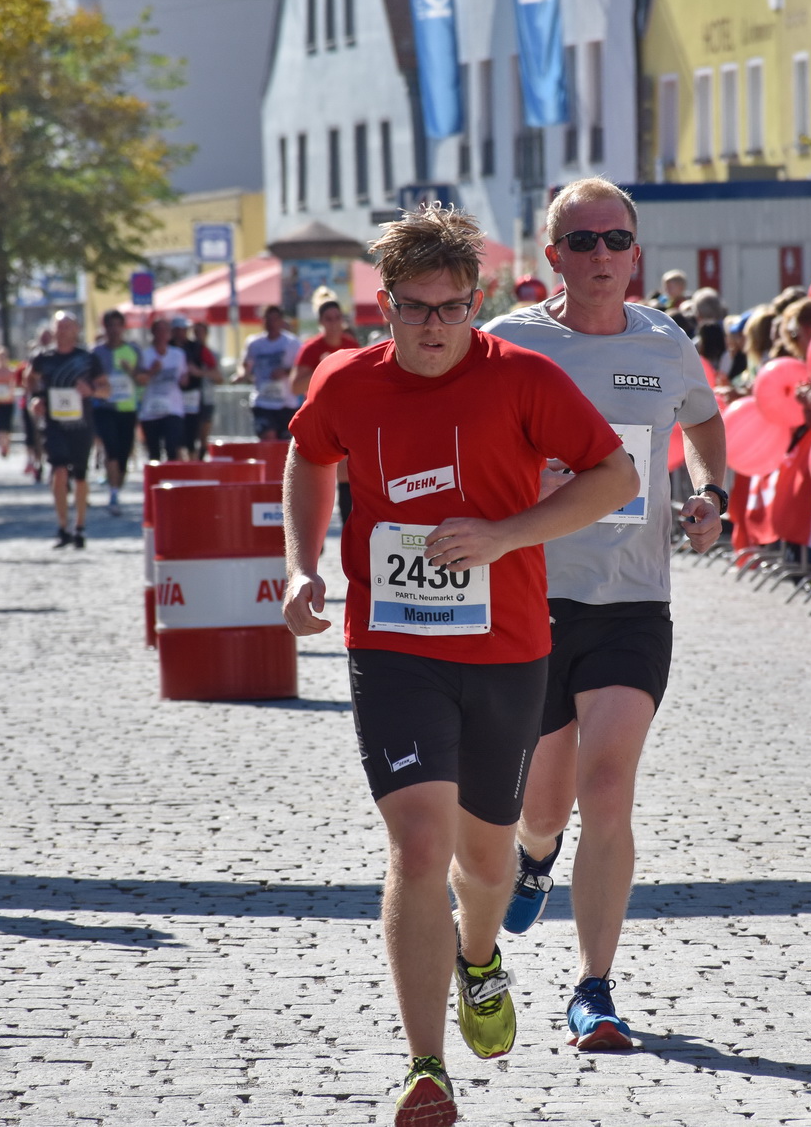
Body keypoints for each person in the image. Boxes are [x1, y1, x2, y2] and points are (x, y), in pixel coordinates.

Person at [281, 203, 637, 1126]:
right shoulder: (346, 381)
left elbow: (615, 477)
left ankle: (481, 956)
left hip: (507, 648)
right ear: (384, 306)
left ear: (475, 302)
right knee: (418, 847)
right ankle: (424, 1067)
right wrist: (301, 563)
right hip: (392, 647)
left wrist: (505, 536)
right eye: (414, 307)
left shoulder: (525, 377)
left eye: (450, 307)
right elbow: (307, 456)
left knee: (484, 859)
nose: (433, 325)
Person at [482, 178, 726, 1054]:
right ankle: (534, 857)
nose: (599, 257)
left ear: (635, 251)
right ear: (554, 257)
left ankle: (595, 987)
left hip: (631, 600)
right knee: (542, 804)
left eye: (613, 240)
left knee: (609, 785)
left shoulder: (665, 342)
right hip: (530, 597)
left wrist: (711, 494)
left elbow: (703, 423)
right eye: (579, 243)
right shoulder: (507, 342)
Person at [27, 311, 108, 548]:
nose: (63, 332)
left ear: (77, 330)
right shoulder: (43, 357)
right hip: (54, 424)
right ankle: (63, 527)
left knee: (80, 475)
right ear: (52, 330)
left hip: (81, 425)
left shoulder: (88, 359)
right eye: (59, 327)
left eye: (68, 327)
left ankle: (80, 526)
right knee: (59, 471)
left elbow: (106, 389)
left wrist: (91, 390)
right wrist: (35, 399)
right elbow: (28, 380)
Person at [290, 299, 362, 525]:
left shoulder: (350, 344)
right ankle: (313, 536)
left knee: (346, 474)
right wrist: (322, 369)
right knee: (317, 478)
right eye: (328, 319)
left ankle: (348, 528)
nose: (334, 323)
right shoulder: (311, 348)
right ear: (321, 322)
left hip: (346, 416)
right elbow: (295, 386)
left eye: (337, 318)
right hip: (318, 418)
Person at [90, 310, 141, 515]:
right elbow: (89, 378)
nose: (113, 330)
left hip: (128, 408)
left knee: (124, 454)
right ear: (104, 328)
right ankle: (113, 494)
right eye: (109, 325)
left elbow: (142, 379)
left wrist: (131, 371)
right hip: (104, 407)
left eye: (117, 325)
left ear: (123, 327)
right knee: (110, 448)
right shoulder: (96, 353)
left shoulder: (133, 350)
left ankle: (116, 486)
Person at [242, 305, 300, 441]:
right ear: (263, 321)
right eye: (268, 319)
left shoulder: (292, 343)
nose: (271, 323)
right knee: (269, 437)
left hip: (286, 403)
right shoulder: (254, 343)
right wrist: (242, 374)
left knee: (285, 445)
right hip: (263, 402)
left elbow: (301, 368)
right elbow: (245, 364)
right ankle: (268, 462)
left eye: (275, 319)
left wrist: (285, 371)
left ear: (281, 321)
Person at [134, 315, 186, 462]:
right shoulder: (145, 355)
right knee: (154, 452)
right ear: (153, 333)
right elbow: (140, 382)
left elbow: (184, 377)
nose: (162, 334)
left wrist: (186, 378)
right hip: (150, 410)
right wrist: (152, 371)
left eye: (165, 331)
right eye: (159, 330)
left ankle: (173, 481)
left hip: (173, 409)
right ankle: (156, 482)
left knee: (172, 447)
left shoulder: (178, 355)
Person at [179, 319, 223, 459]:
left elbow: (219, 377)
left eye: (201, 333)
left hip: (206, 398)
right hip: (189, 399)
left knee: (203, 436)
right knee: (190, 434)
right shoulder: (188, 350)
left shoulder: (211, 353)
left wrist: (200, 373)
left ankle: (200, 461)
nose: (198, 336)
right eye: (195, 333)